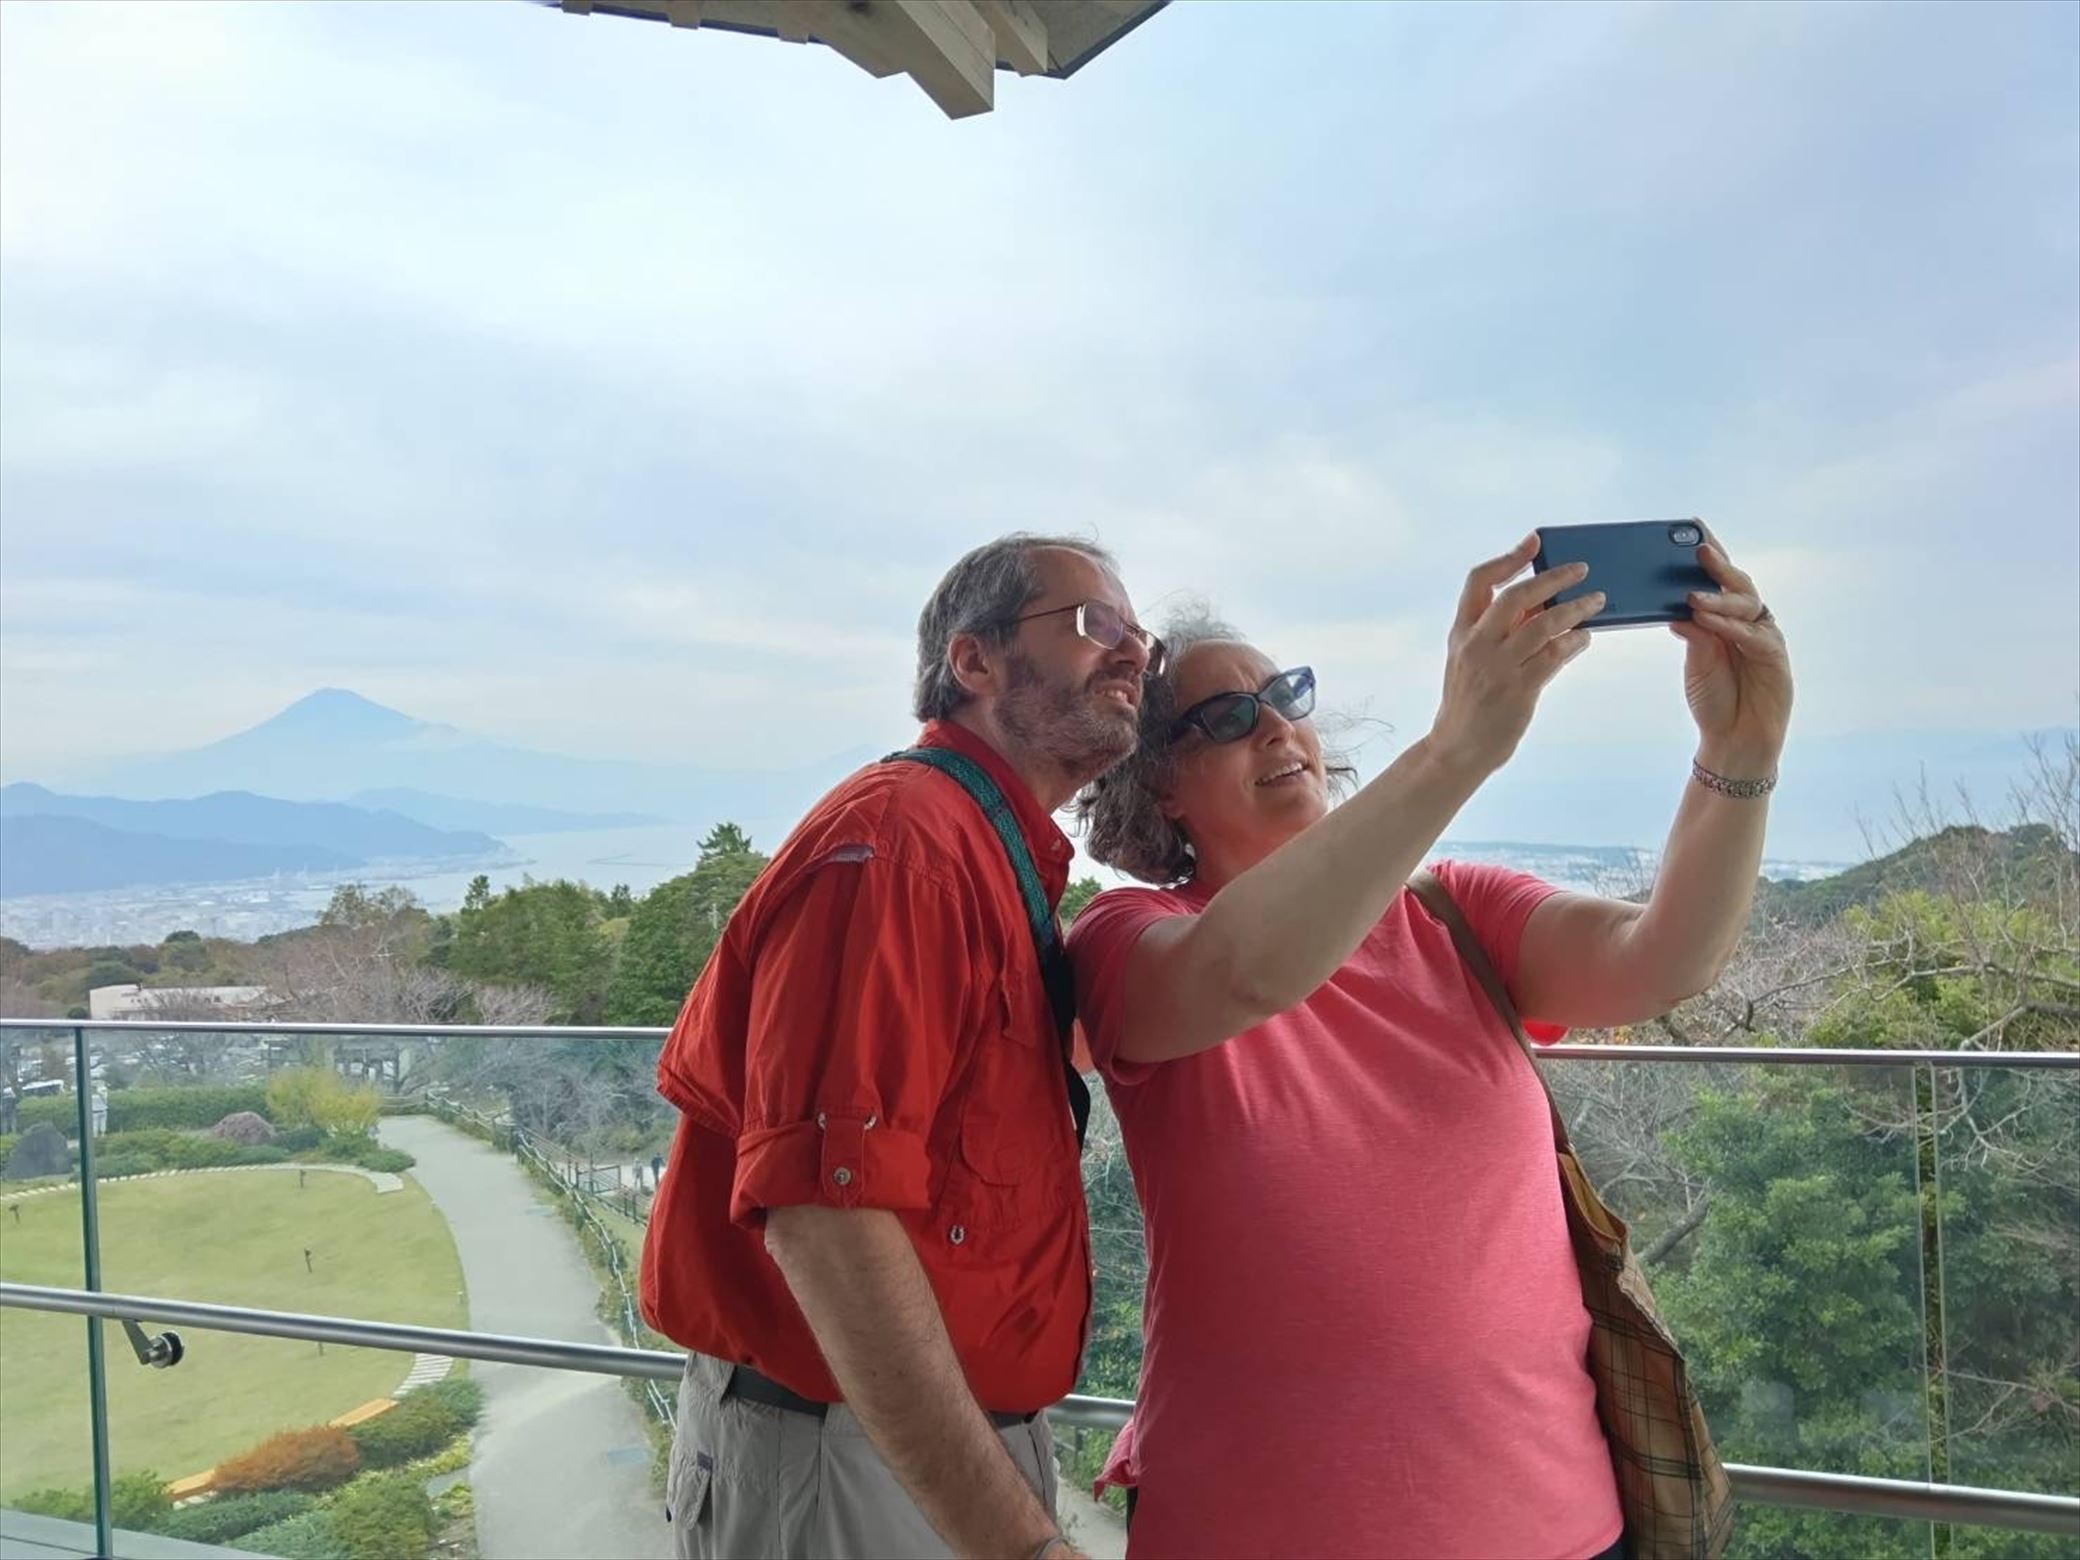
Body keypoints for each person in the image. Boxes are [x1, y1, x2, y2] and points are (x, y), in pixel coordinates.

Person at [1068, 532, 1793, 1558]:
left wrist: (1741, 750)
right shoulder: (1128, 940)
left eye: (1283, 695)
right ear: (1159, 787)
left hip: (1551, 1521)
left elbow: (1660, 958)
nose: (1274, 725)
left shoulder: (1457, 914)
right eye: (1225, 718)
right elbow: (1242, 973)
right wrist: (1460, 747)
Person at [640, 533, 1166, 1559]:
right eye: (1094, 624)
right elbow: (825, 1214)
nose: (1130, 654)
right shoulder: (902, 848)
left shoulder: (984, 850)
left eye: (1137, 637)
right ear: (973, 663)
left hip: (908, 1449)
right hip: (847, 1460)